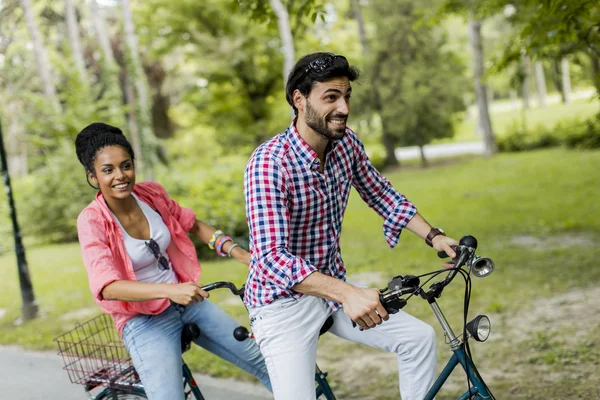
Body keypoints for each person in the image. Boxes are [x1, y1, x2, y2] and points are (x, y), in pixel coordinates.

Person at [243, 52, 459, 400]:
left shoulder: (345, 144)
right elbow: (270, 258)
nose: (343, 107)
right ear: (299, 100)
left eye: (346, 96)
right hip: (282, 304)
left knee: (418, 339)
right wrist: (348, 293)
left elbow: (381, 194)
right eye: (331, 97)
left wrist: (434, 236)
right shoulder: (269, 164)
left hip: (333, 292)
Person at [74, 123, 271, 400]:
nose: (120, 176)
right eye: (108, 170)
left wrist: (239, 253)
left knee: (265, 362)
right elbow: (107, 286)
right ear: (93, 177)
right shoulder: (92, 220)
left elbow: (194, 224)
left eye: (126, 165)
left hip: (187, 304)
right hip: (143, 321)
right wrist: (171, 290)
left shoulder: (150, 195)